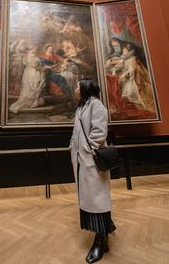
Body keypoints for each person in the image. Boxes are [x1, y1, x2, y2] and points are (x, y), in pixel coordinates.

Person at [69, 78, 116, 263]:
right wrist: (72, 146)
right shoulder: (81, 107)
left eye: (77, 86)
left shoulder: (96, 105)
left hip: (92, 161)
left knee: (98, 199)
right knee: (89, 199)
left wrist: (88, 152)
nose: (75, 89)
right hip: (81, 161)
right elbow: (76, 132)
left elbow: (99, 132)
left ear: (86, 88)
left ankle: (100, 240)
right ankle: (104, 231)